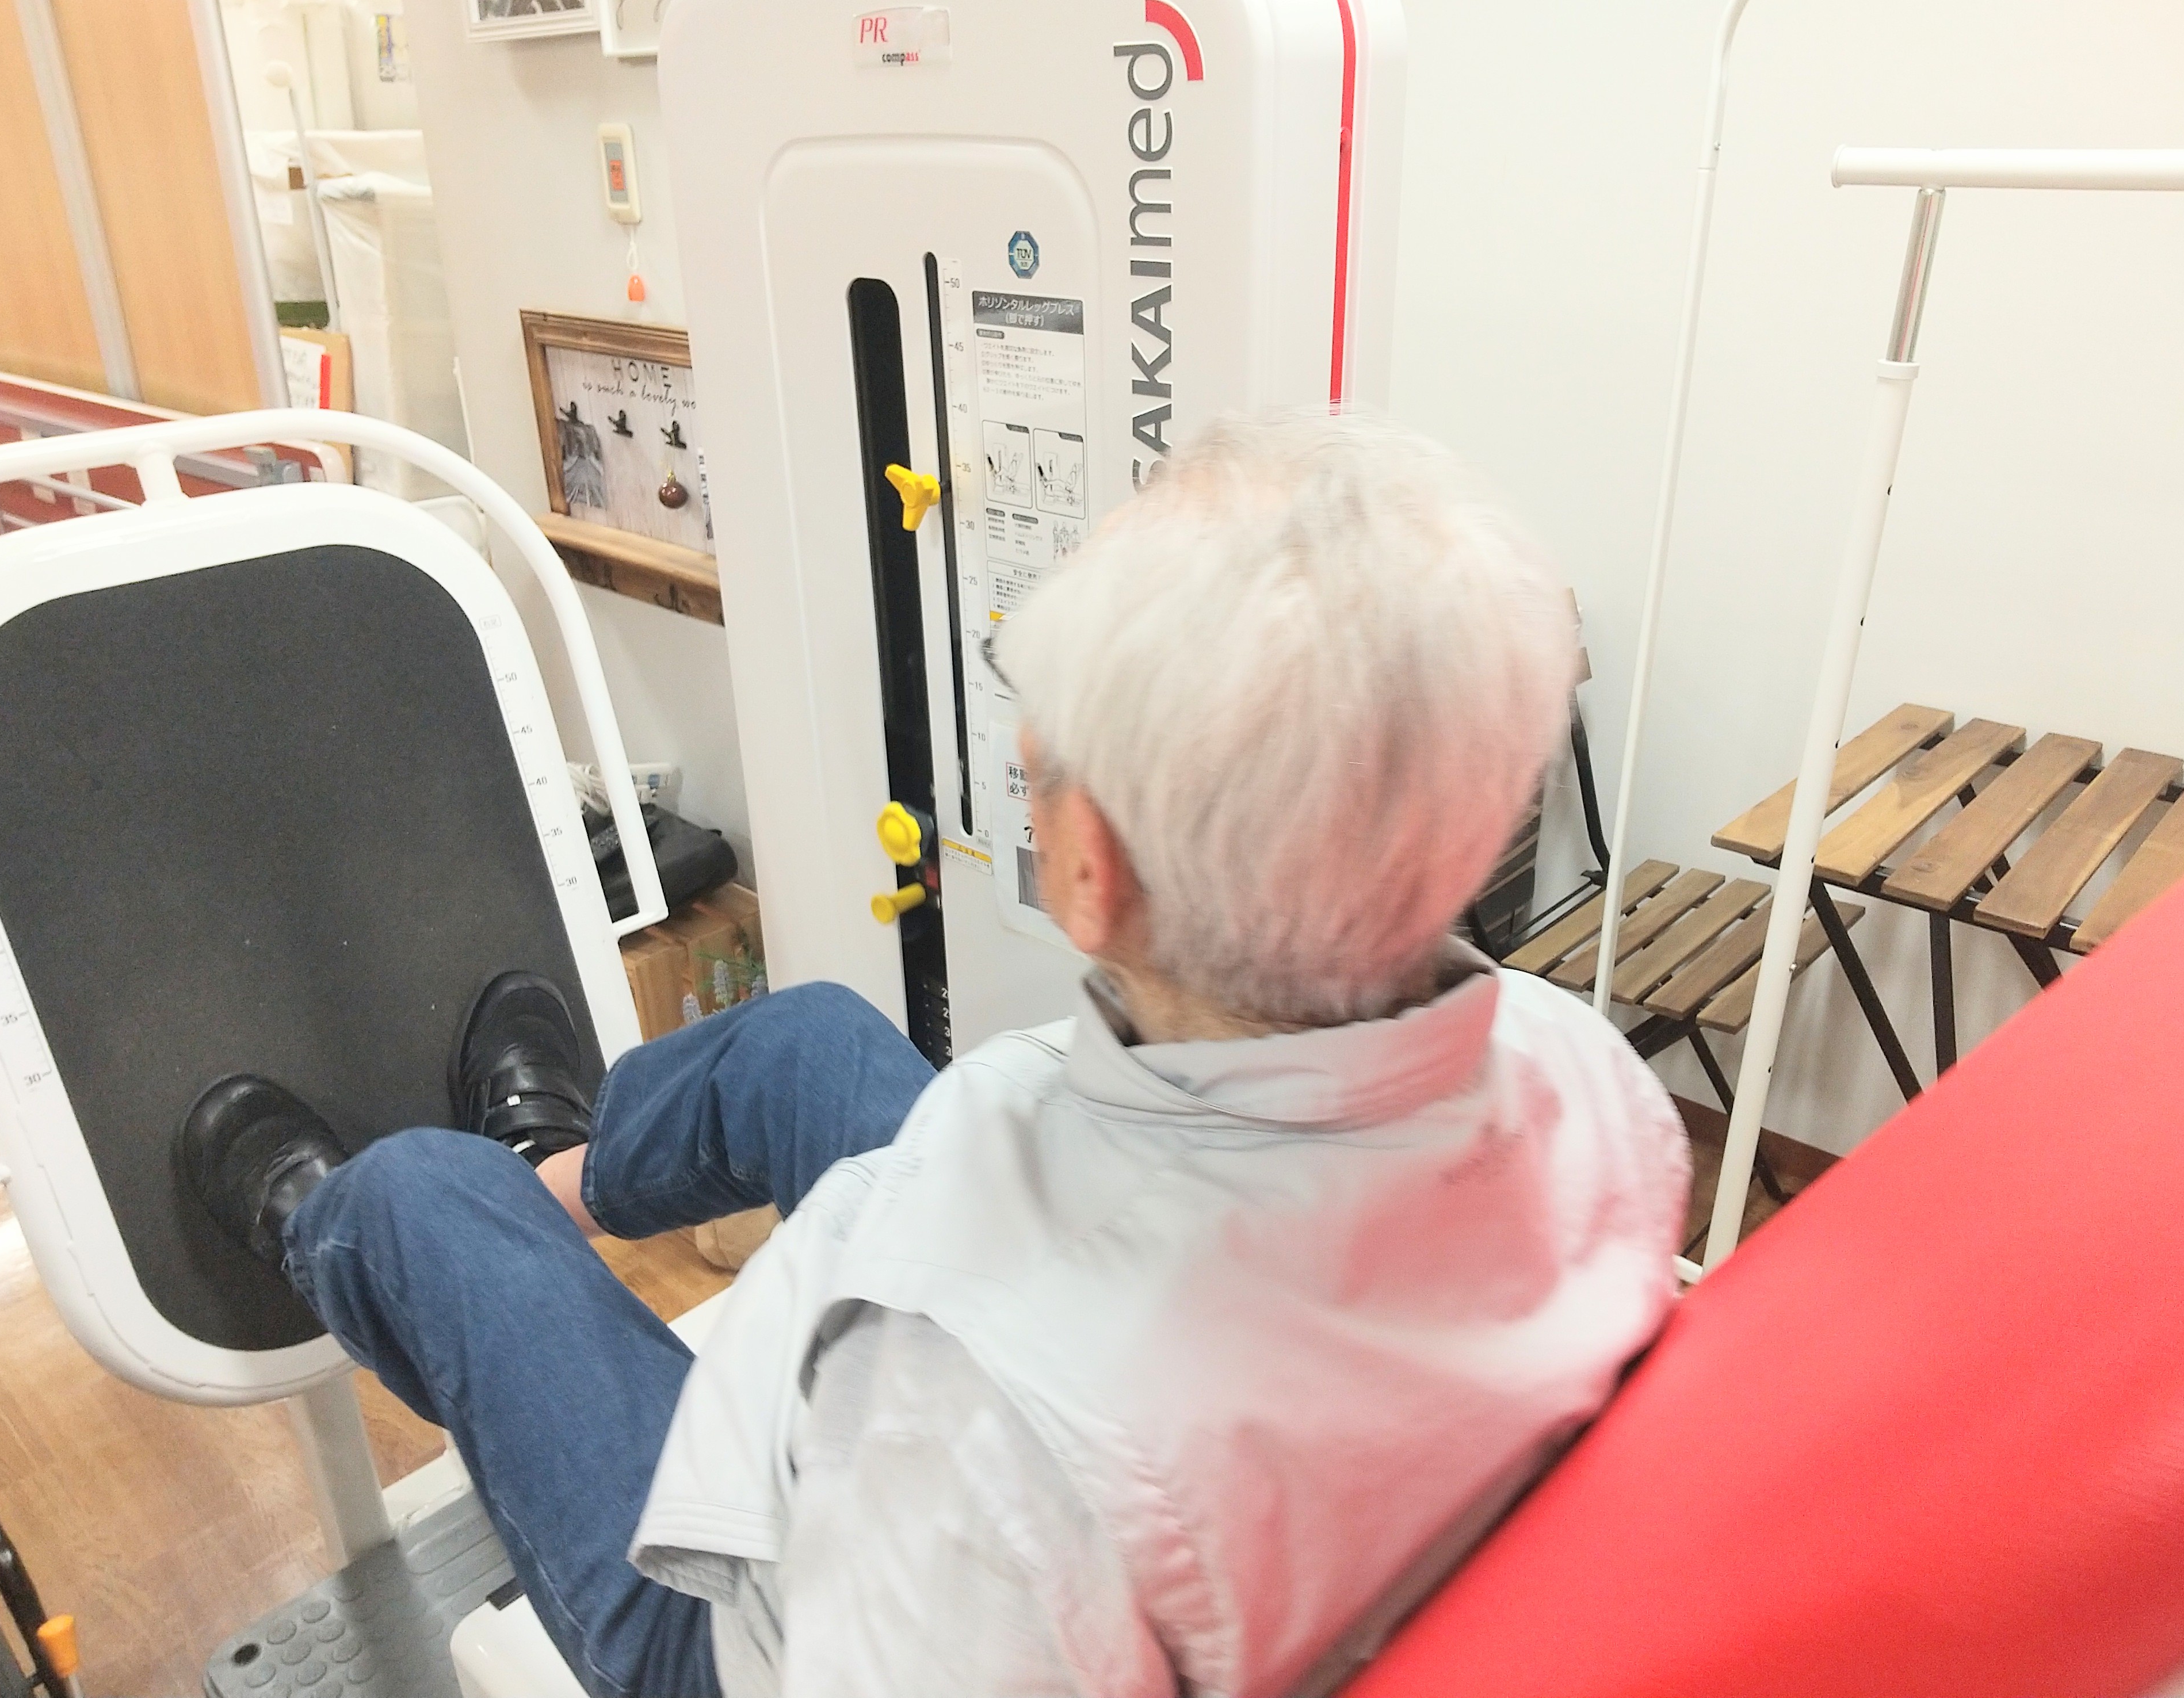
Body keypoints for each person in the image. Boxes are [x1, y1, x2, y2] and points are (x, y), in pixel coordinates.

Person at [177, 411, 1690, 1698]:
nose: (1023, 767)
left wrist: (861, 1408)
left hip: (793, 1619)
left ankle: (330, 1226)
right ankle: (553, 1169)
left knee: (418, 1199)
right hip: (1156, 1301)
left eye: (1039, 751)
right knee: (809, 1043)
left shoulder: (984, 1425)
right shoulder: (1588, 1075)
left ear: (1090, 871)